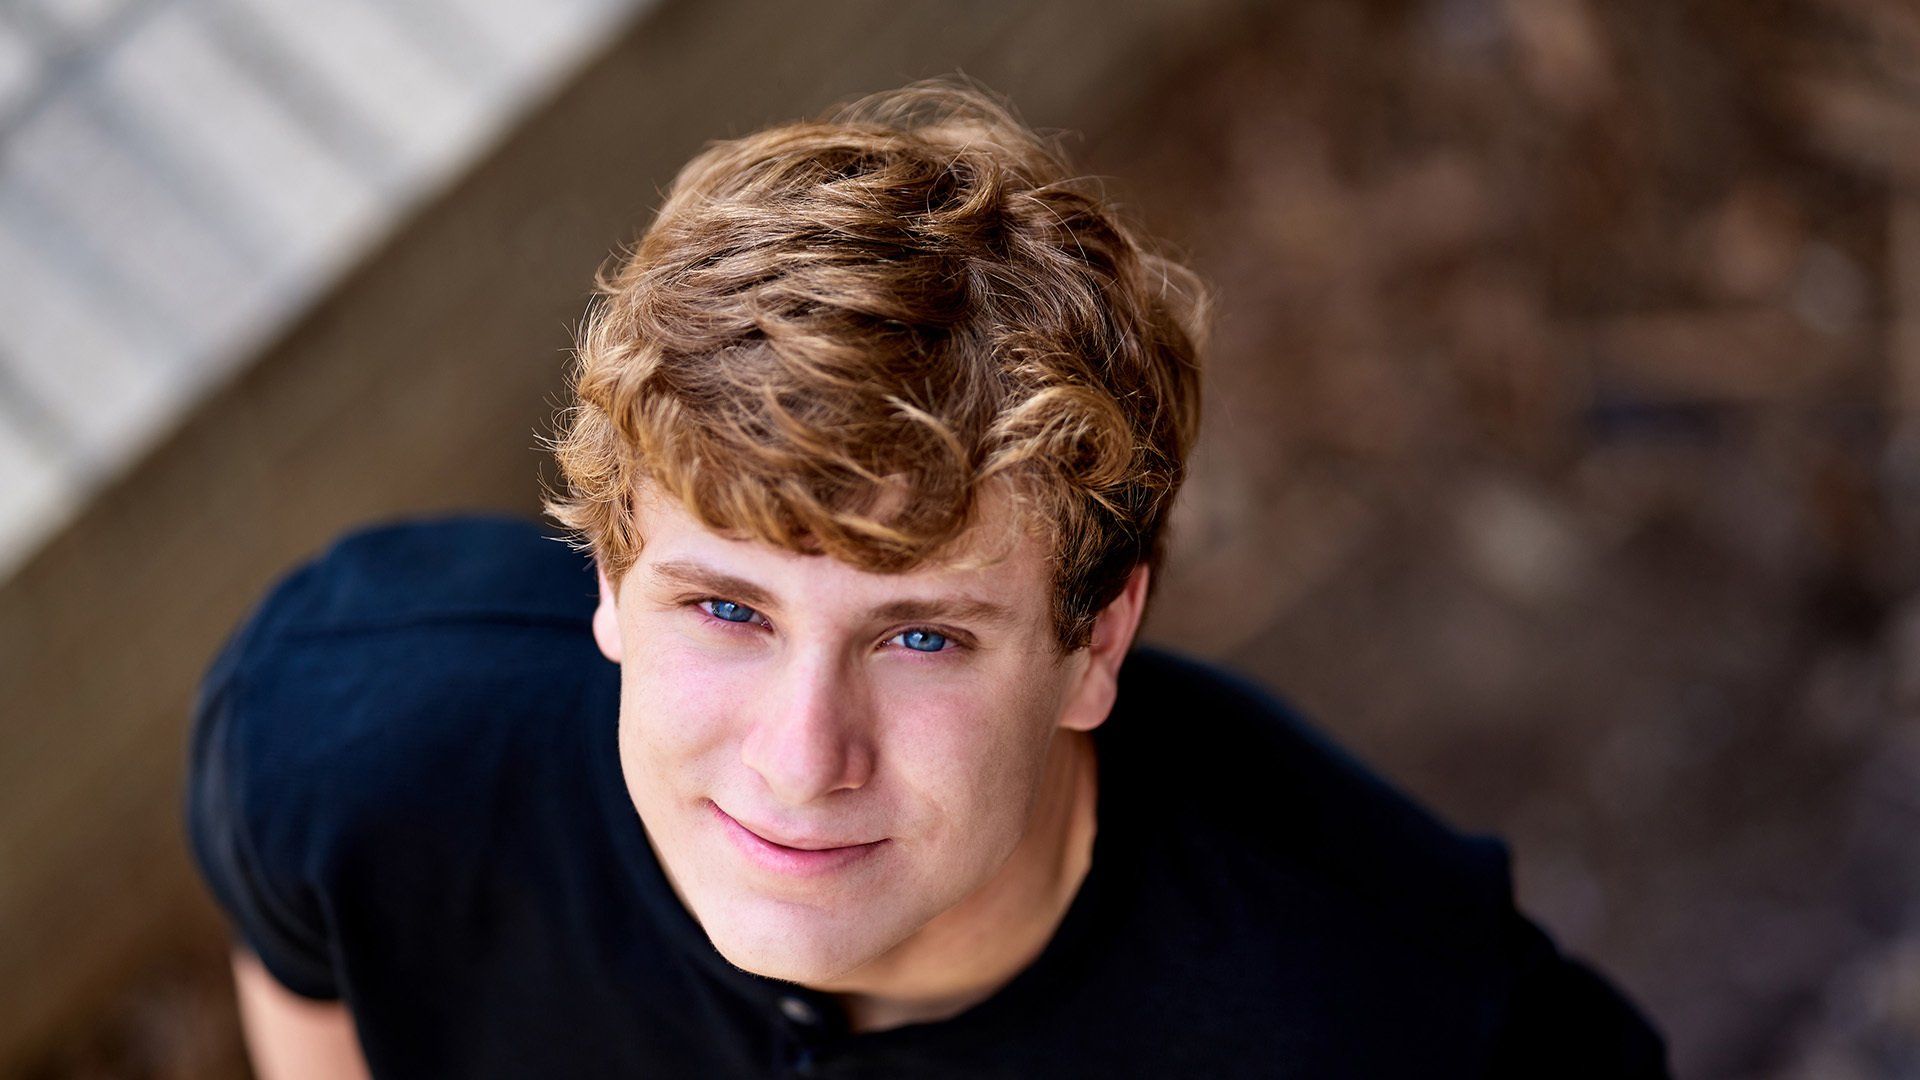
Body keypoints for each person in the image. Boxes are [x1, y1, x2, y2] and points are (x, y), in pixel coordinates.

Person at [185, 78, 1669, 1078]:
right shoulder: (355, 743)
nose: (799, 760)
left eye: (922, 640)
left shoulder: (1401, 1018)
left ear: (1098, 642)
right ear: (611, 573)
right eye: (725, 608)